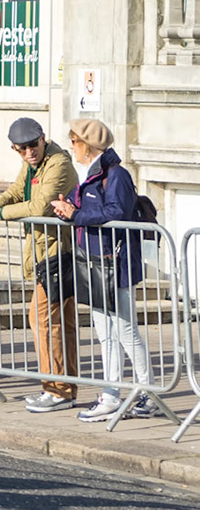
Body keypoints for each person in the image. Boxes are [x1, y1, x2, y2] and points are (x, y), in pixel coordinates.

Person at [52, 119, 154, 422]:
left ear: (86, 145)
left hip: (116, 264)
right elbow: (81, 204)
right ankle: (116, 393)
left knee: (124, 332)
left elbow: (116, 212)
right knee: (106, 334)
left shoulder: (116, 174)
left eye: (74, 141)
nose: (71, 147)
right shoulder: (91, 173)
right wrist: (65, 206)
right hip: (95, 263)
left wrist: (77, 213)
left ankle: (141, 393)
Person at [0, 117, 79, 412]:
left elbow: (40, 206)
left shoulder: (57, 162)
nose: (28, 153)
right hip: (44, 253)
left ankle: (56, 389)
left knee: (44, 321)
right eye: (21, 149)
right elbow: (15, 189)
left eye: (32, 146)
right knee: (60, 323)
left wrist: (2, 214)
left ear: (43, 138)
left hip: (58, 252)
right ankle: (63, 388)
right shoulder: (32, 164)